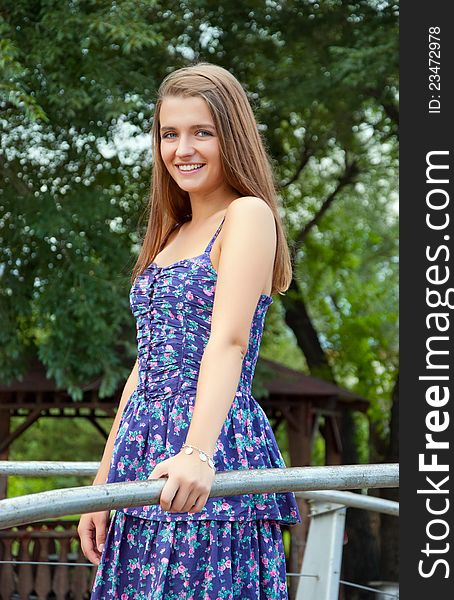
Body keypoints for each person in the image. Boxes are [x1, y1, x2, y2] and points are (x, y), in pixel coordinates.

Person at [78, 62, 301, 599]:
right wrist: (102, 484)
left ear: (233, 137)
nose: (183, 149)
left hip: (208, 442)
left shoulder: (247, 215)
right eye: (169, 134)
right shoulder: (171, 232)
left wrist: (198, 453)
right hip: (142, 450)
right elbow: (145, 365)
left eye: (203, 132)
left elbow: (229, 340)